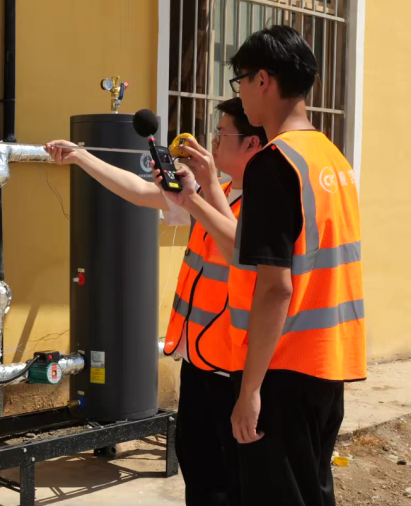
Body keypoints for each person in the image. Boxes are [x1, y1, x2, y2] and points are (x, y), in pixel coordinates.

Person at [162, 25, 366, 506]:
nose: (241, 97)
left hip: (282, 369)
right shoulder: (331, 158)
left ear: (264, 81)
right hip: (327, 364)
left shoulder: (275, 164)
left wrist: (249, 389)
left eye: (240, 81)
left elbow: (276, 288)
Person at [45, 97, 267, 506]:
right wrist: (82, 158)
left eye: (222, 135)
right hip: (200, 362)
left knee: (235, 481)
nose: (211, 143)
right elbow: (139, 191)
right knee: (199, 472)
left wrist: (205, 189)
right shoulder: (214, 193)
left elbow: (240, 246)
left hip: (235, 369)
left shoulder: (265, 204)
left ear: (253, 144)